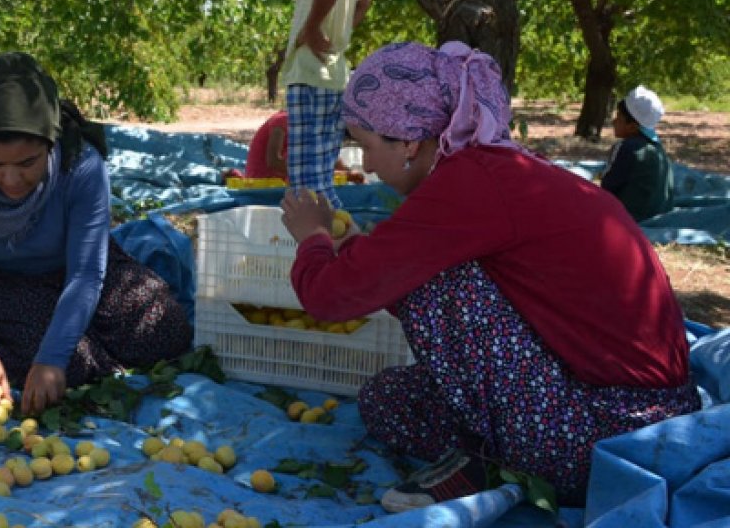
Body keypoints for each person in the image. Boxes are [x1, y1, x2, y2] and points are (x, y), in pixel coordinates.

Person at [280, 41, 699, 512]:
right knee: (386, 402)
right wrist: (358, 249)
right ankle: (492, 457)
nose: (367, 164)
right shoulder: (495, 169)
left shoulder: (468, 185)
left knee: (435, 275)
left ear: (410, 142)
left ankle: (506, 461)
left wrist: (312, 237)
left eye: (366, 145)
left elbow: (331, 297)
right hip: (625, 415)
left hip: (611, 435)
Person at [0, 52, 194, 416]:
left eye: (27, 163)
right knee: (46, 362)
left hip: (76, 271)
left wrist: (52, 357)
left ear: (50, 143)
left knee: (166, 328)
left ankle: (86, 349)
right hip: (5, 283)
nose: (10, 180)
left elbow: (86, 273)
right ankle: (86, 353)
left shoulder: (82, 167)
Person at [282, 0, 371, 208]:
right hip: (336, 77)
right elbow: (364, 2)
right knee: (322, 175)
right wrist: (341, 30)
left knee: (304, 182)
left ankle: (316, 243)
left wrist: (311, 27)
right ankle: (338, 238)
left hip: (309, 73)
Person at [601, 85, 675, 221]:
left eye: (619, 117)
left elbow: (607, 188)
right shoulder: (659, 150)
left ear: (632, 126)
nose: (614, 121)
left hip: (630, 218)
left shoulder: (626, 147)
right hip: (659, 217)